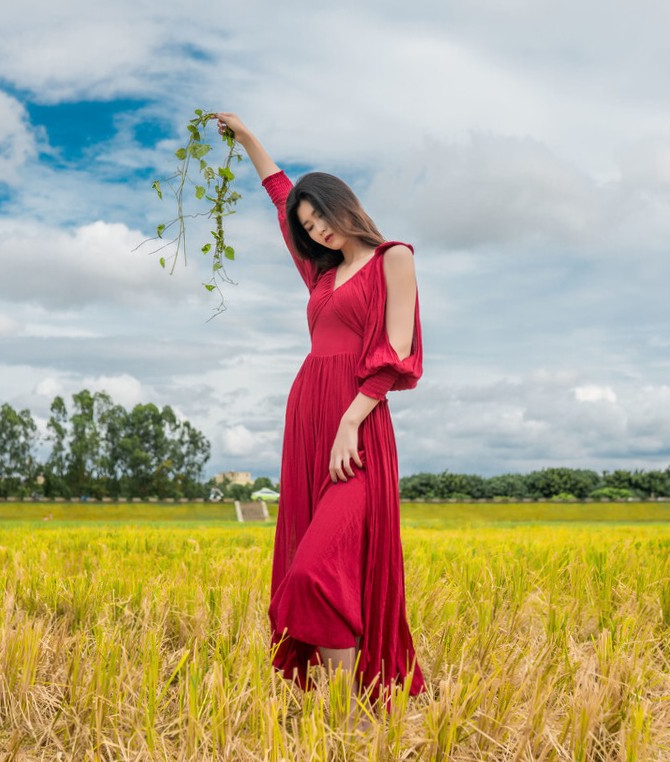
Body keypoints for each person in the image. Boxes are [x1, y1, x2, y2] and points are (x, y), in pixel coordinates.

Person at [214, 113, 427, 714]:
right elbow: (279, 195)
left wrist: (350, 420)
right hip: (308, 417)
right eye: (307, 227)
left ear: (343, 207)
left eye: (321, 219)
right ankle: (345, 716)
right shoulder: (319, 273)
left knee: (319, 567)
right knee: (313, 565)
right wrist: (249, 142)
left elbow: (398, 354)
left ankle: (355, 708)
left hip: (355, 424)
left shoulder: (394, 258)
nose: (318, 232)